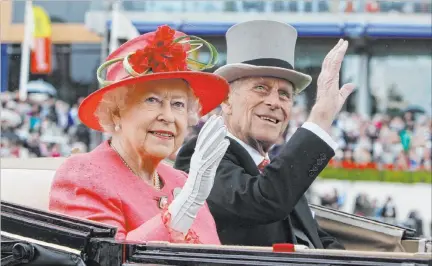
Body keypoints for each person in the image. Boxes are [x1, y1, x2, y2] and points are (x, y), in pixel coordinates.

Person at [175, 20, 354, 248]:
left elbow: (316, 240)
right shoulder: (201, 155)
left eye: (284, 95)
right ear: (227, 100)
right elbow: (262, 201)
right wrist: (319, 119)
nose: (274, 102)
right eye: (261, 88)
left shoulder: (277, 172)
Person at [49, 25, 230, 244]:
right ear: (116, 113)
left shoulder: (182, 181)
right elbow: (105, 257)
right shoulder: (83, 174)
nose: (168, 116)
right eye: (152, 100)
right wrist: (185, 205)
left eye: (178, 104)